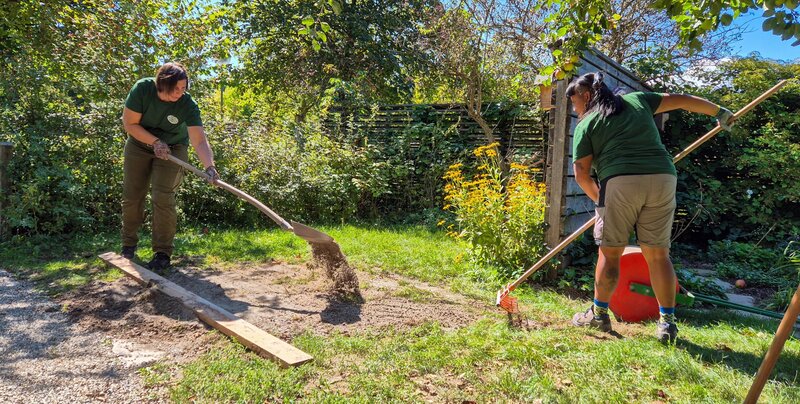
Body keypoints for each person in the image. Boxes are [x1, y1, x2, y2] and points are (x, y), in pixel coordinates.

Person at [567, 72, 735, 344]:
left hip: (619, 181)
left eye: (575, 104)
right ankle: (667, 323)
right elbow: (681, 100)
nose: (575, 110)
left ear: (585, 97)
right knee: (658, 255)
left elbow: (582, 175)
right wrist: (719, 111)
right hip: (663, 178)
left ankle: (599, 314)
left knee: (610, 253)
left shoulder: (587, 125)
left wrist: (602, 201)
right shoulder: (638, 100)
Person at [120, 62, 220, 271]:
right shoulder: (143, 90)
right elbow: (130, 124)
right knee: (133, 195)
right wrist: (155, 142)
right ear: (162, 84)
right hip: (139, 144)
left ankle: (162, 253)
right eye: (176, 88)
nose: (180, 92)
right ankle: (129, 244)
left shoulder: (187, 105)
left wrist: (210, 167)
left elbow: (199, 141)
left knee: (162, 196)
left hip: (173, 148)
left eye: (183, 88)